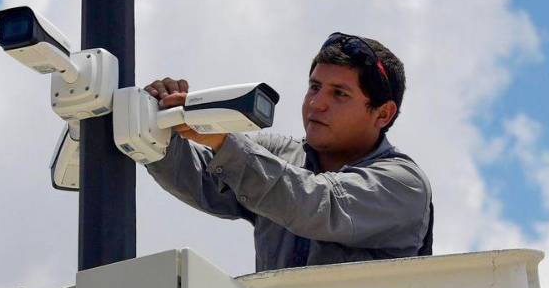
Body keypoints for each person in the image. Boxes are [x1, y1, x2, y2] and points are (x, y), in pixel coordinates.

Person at [144, 32, 433, 273]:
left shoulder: (404, 184)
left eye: (340, 94)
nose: (316, 104)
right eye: (314, 87)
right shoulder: (279, 155)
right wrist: (155, 124)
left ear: (383, 114)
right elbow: (199, 179)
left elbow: (319, 204)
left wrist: (224, 141)